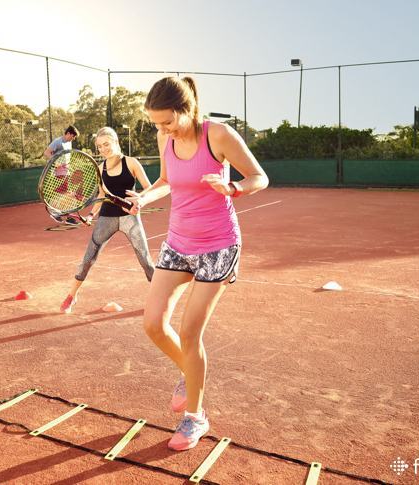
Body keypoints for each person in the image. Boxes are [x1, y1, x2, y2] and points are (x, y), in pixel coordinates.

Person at [126, 76, 268, 450]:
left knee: (190, 333)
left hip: (218, 245)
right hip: (178, 242)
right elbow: (166, 179)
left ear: (187, 110)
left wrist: (233, 188)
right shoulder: (165, 137)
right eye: (157, 123)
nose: (162, 129)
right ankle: (190, 374)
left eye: (168, 121)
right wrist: (143, 197)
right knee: (153, 324)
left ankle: (195, 416)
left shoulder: (217, 135)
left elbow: (259, 176)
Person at [60, 127, 155, 313]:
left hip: (130, 217)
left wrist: (140, 198)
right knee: (88, 259)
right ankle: (72, 295)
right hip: (107, 218)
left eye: (106, 144)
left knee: (145, 260)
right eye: (99, 146)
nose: (103, 149)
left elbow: (149, 188)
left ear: (116, 142)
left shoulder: (132, 162)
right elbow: (102, 195)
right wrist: (90, 215)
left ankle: (159, 299)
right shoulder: (101, 168)